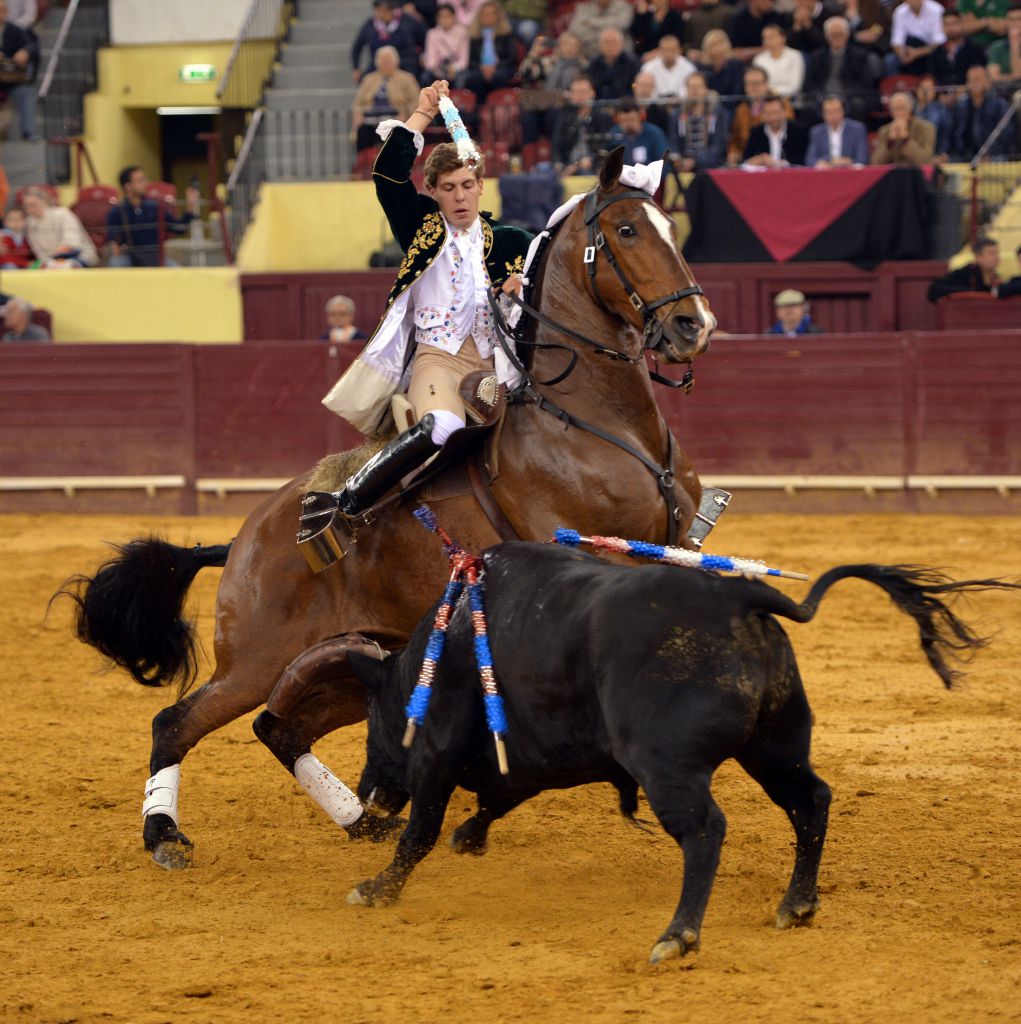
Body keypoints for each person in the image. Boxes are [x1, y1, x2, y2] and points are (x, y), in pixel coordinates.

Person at [320, 81, 532, 520]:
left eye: (467, 185)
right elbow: (388, 176)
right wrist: (421, 114)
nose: (459, 196)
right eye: (449, 187)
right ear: (433, 191)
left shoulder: (512, 242)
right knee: (444, 428)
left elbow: (557, 273)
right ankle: (351, 503)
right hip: (437, 360)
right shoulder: (422, 228)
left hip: (497, 366)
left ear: (480, 187)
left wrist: (523, 282)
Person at [105, 166, 191, 267]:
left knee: (178, 273)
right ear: (128, 186)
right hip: (131, 258)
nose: (145, 184)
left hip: (155, 256)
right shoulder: (117, 211)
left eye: (144, 179)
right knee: (116, 263)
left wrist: (190, 205)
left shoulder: (156, 207)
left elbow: (179, 228)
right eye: (140, 180)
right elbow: (113, 242)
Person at [803, 15, 877, 123]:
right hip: (822, 97)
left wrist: (845, 96)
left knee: (858, 105)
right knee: (807, 107)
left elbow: (865, 83)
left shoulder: (859, 55)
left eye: (840, 35)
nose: (836, 38)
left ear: (847, 35)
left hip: (848, 97)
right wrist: (820, 96)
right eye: (833, 35)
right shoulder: (817, 56)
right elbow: (809, 83)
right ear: (826, 36)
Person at [353, 45, 420, 150]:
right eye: (382, 62)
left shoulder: (407, 78)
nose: (385, 65)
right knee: (363, 132)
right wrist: (359, 114)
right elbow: (358, 103)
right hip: (371, 120)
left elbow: (416, 101)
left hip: (396, 119)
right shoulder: (368, 79)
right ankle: (364, 163)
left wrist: (406, 114)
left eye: (388, 62)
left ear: (396, 62)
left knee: (396, 133)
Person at [726, 64, 795, 164]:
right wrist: (733, 153)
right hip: (750, 160)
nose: (753, 87)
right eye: (749, 83)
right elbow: (734, 139)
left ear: (766, 84)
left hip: (778, 159)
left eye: (757, 83)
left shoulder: (783, 106)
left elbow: (789, 132)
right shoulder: (741, 110)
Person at [951, 63, 1014, 161]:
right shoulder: (962, 106)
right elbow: (958, 134)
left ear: (988, 82)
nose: (974, 83)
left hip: (995, 155)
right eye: (971, 80)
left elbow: (1006, 134)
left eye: (978, 79)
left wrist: (989, 154)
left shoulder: (999, 104)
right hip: (969, 155)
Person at [668, 71, 730, 170]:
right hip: (683, 163)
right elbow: (673, 142)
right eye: (691, 87)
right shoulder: (677, 114)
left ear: (706, 89)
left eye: (698, 87)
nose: (694, 90)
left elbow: (719, 146)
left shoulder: (718, 113)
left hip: (709, 164)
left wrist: (696, 162)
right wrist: (678, 159)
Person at [552, 74, 614, 174]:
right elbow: (557, 145)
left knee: (584, 172)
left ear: (592, 93)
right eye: (575, 92)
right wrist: (557, 163)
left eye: (583, 92)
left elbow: (606, 147)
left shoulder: (602, 117)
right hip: (567, 164)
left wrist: (590, 160)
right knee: (543, 169)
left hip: (592, 166)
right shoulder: (565, 116)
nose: (579, 96)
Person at [22, 186, 97, 267]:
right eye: (27, 206)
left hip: (78, 257)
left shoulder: (63, 214)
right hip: (51, 262)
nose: (29, 209)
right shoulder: (30, 223)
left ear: (44, 201)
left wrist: (52, 259)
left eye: (33, 204)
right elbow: (38, 251)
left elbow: (71, 245)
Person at [351, 0, 425, 82]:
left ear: (392, 10)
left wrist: (423, 55)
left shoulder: (408, 22)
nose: (382, 13)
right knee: (366, 79)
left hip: (406, 66)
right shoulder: (370, 26)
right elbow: (357, 47)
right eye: (378, 10)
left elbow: (424, 39)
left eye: (385, 10)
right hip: (378, 67)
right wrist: (356, 67)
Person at [463, 0, 519, 100]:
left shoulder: (506, 34)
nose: (487, 16)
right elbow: (470, 59)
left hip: (501, 68)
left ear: (498, 16)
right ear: (479, 16)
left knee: (498, 77)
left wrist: (495, 67)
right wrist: (482, 68)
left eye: (491, 13)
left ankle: (498, 109)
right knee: (475, 79)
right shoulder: (473, 35)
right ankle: (478, 110)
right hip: (479, 68)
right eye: (484, 13)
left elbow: (512, 57)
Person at [869, 90, 936, 165]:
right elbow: (876, 163)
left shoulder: (926, 128)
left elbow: (926, 161)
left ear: (910, 108)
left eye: (903, 108)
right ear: (891, 112)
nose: (899, 112)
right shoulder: (884, 131)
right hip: (893, 174)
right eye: (895, 109)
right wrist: (890, 142)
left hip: (917, 174)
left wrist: (906, 140)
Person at [927, 235, 1002, 301]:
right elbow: (934, 288)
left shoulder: (995, 277)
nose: (996, 258)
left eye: (997, 253)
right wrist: (968, 291)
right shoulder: (967, 272)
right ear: (978, 256)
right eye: (991, 253)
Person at [742, 93, 809, 166]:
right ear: (762, 115)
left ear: (784, 112)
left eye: (776, 112)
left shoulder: (799, 130)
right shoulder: (756, 132)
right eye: (768, 113)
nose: (773, 118)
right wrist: (754, 160)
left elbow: (803, 161)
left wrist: (780, 164)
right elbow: (745, 161)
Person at [0, 0, 34, 140]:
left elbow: (31, 45)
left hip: (11, 79)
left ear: (6, 12)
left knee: (26, 92)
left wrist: (24, 52)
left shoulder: (14, 30)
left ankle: (28, 132)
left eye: (2, 10)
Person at [805, 95, 870, 166]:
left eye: (836, 111)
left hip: (849, 172)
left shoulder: (858, 129)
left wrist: (847, 161)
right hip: (826, 173)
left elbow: (862, 158)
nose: (833, 115)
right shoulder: (816, 131)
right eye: (828, 112)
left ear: (843, 111)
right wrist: (829, 160)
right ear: (822, 114)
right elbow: (810, 159)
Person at [930, 9, 988, 87]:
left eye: (954, 24)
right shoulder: (937, 52)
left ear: (962, 24)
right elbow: (934, 77)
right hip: (943, 95)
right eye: (946, 24)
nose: (950, 28)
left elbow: (980, 76)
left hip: (969, 94)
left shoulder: (975, 49)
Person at [886, 0, 946, 76]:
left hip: (931, 51)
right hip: (909, 51)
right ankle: (897, 85)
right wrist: (902, 54)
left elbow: (940, 42)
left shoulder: (936, 9)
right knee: (890, 60)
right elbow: (896, 41)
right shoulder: (900, 11)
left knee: (938, 57)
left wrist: (917, 53)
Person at [608, 98, 669, 164]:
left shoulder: (654, 134)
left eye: (632, 119)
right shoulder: (614, 135)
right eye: (624, 121)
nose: (628, 124)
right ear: (618, 120)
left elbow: (663, 161)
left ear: (640, 116)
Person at [752, 23, 806, 97]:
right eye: (764, 38)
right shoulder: (758, 60)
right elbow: (758, 84)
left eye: (771, 37)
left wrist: (774, 92)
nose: (767, 41)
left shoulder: (795, 56)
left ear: (783, 38)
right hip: (765, 100)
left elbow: (795, 86)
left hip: (790, 99)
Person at [587, 27, 640, 101]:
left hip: (624, 106)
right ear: (599, 45)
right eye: (606, 42)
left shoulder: (632, 63)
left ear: (622, 44)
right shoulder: (594, 64)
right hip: (598, 106)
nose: (610, 46)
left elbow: (634, 87)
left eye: (614, 42)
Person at [421, 3, 470, 84]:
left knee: (461, 77)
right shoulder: (432, 33)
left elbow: (464, 60)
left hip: (455, 68)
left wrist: (454, 68)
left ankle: (458, 96)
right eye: (441, 16)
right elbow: (431, 58)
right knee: (425, 76)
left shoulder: (462, 32)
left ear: (454, 17)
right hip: (438, 69)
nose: (444, 19)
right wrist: (436, 69)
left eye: (448, 16)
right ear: (437, 18)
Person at [568, 0, 634, 58]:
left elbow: (623, 24)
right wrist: (609, 32)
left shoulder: (623, 6)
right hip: (589, 54)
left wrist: (592, 22)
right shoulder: (584, 7)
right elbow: (575, 30)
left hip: (618, 56)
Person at [698, 28, 745, 107]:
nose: (717, 48)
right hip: (709, 108)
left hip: (732, 106)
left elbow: (738, 91)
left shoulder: (736, 65)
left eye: (720, 43)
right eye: (713, 44)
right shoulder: (702, 67)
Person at [641, 34, 696, 100]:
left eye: (672, 50)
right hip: (655, 106)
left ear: (679, 50)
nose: (669, 53)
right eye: (665, 50)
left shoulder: (689, 68)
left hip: (682, 105)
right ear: (659, 50)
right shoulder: (648, 68)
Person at [914, 75, 955, 157]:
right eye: (923, 87)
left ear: (935, 91)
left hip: (936, 152)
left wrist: (943, 152)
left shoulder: (942, 109)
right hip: (915, 153)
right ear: (917, 90)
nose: (925, 91)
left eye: (929, 88)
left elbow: (946, 133)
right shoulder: (911, 109)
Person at [987, 5, 1021, 82]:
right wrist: (1013, 77)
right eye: (1011, 20)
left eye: (1019, 19)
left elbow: (1018, 74)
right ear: (1006, 22)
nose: (1015, 23)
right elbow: (994, 78)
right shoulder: (997, 47)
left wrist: (1014, 43)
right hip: (1002, 91)